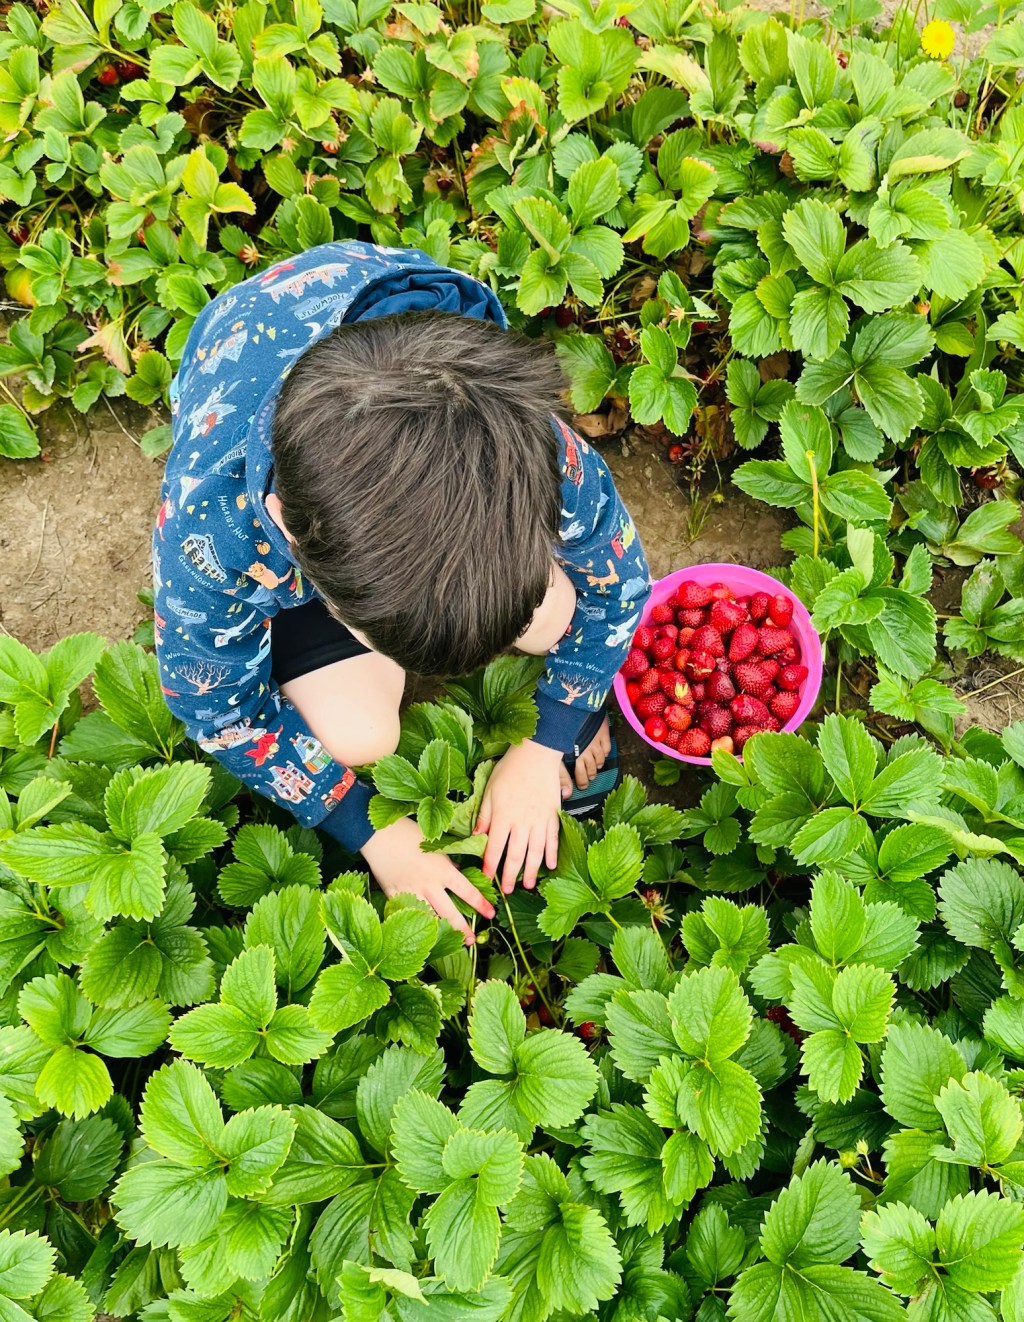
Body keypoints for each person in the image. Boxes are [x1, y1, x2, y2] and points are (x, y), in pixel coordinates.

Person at [153, 241, 650, 945]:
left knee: (557, 614)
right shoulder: (212, 533)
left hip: (385, 364)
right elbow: (218, 709)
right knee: (360, 733)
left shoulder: (520, 438)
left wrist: (548, 740)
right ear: (293, 534)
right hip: (246, 362)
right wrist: (372, 832)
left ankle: (541, 654)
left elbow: (619, 583)